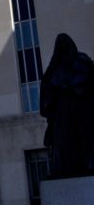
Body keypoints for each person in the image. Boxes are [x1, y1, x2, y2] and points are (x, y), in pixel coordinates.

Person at [40, 33, 94, 179]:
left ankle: (85, 165)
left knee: (83, 139)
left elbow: (87, 82)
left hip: (80, 110)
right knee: (63, 143)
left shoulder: (81, 61)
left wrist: (69, 87)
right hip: (62, 113)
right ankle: (63, 168)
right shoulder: (55, 67)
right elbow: (47, 88)